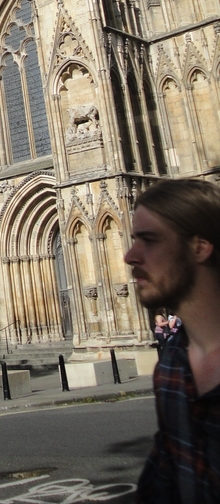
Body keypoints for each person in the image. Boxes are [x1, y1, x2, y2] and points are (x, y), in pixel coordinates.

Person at [124, 177, 220, 502]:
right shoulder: (171, 368)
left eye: (149, 241)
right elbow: (163, 482)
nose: (129, 255)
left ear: (199, 246)